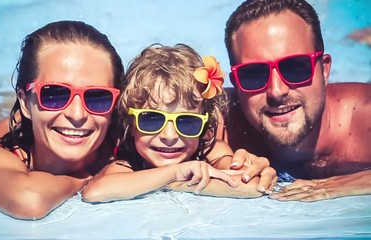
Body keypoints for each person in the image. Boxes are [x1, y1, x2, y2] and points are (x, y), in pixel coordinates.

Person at [0, 20, 124, 219]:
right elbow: (28, 201)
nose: (77, 115)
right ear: (24, 103)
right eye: (54, 94)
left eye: (98, 97)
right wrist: (86, 178)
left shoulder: (129, 145)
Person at [82, 44, 274, 202]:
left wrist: (176, 182)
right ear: (130, 124)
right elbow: (95, 192)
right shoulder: (130, 160)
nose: (169, 136)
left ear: (204, 128)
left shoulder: (211, 151)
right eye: (151, 119)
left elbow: (252, 185)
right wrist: (175, 172)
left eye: (187, 122)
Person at [223, 0, 371, 201]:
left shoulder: (365, 118)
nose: (276, 91)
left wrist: (355, 182)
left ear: (324, 70)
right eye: (254, 74)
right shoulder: (215, 125)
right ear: (236, 83)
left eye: (294, 68)